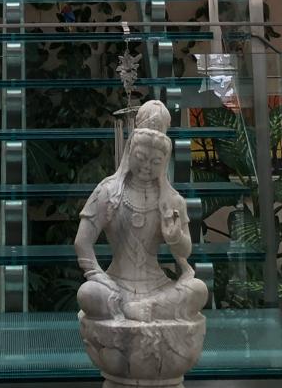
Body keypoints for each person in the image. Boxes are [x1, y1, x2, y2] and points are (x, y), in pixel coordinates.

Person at [74, 99, 209, 323]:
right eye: (141, 157)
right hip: (115, 284)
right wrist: (98, 276)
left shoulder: (172, 200)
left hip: (157, 286)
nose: (147, 166)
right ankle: (132, 308)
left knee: (198, 290)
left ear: (165, 162)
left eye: (156, 161)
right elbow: (82, 242)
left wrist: (175, 237)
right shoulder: (108, 191)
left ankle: (143, 308)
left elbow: (185, 252)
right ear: (130, 152)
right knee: (88, 293)